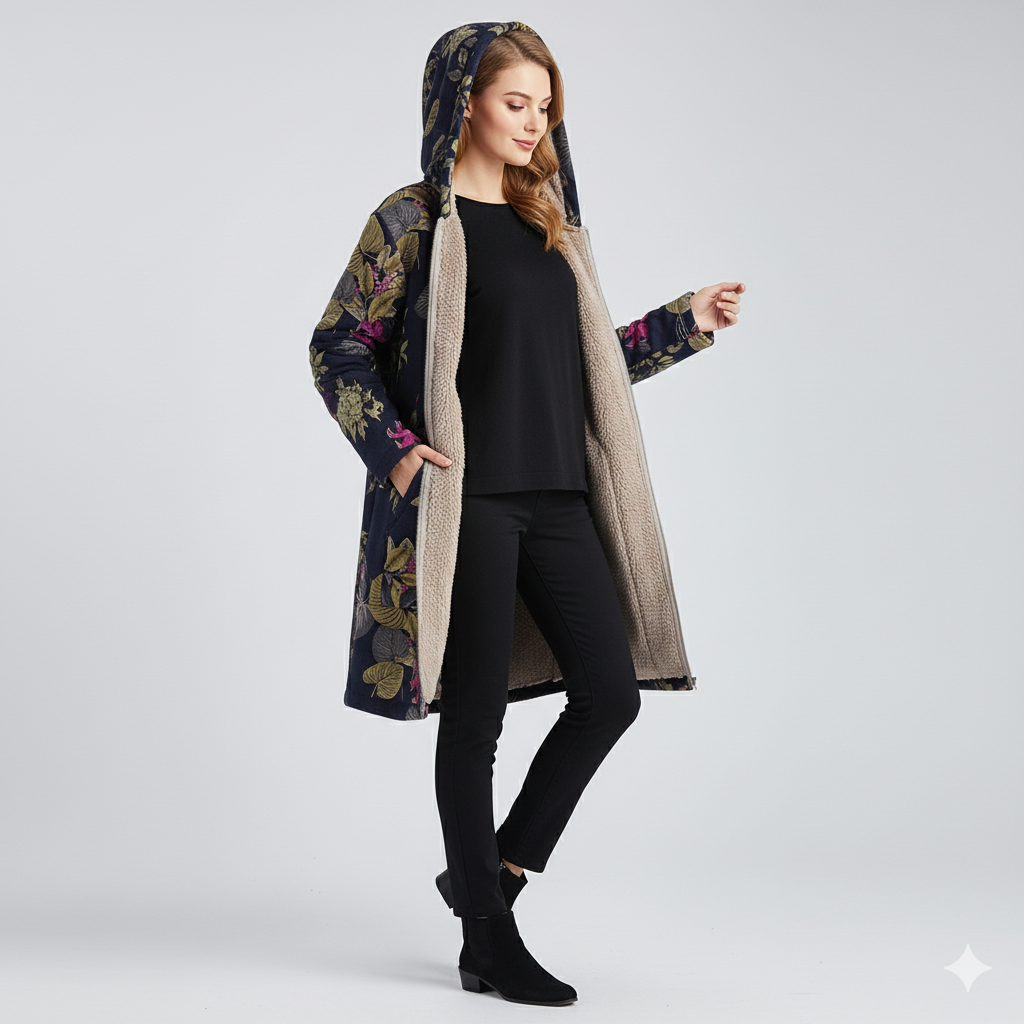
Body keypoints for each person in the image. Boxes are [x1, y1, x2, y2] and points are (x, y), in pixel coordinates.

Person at [308, 22, 743, 1007]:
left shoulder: (548, 219)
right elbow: (336, 344)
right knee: (476, 718)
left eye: (545, 107)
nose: (535, 121)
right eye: (516, 102)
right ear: (463, 101)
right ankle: (487, 944)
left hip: (558, 495)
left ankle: (489, 878)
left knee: (611, 692)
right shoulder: (413, 221)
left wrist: (684, 322)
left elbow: (586, 366)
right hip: (468, 500)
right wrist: (396, 449)